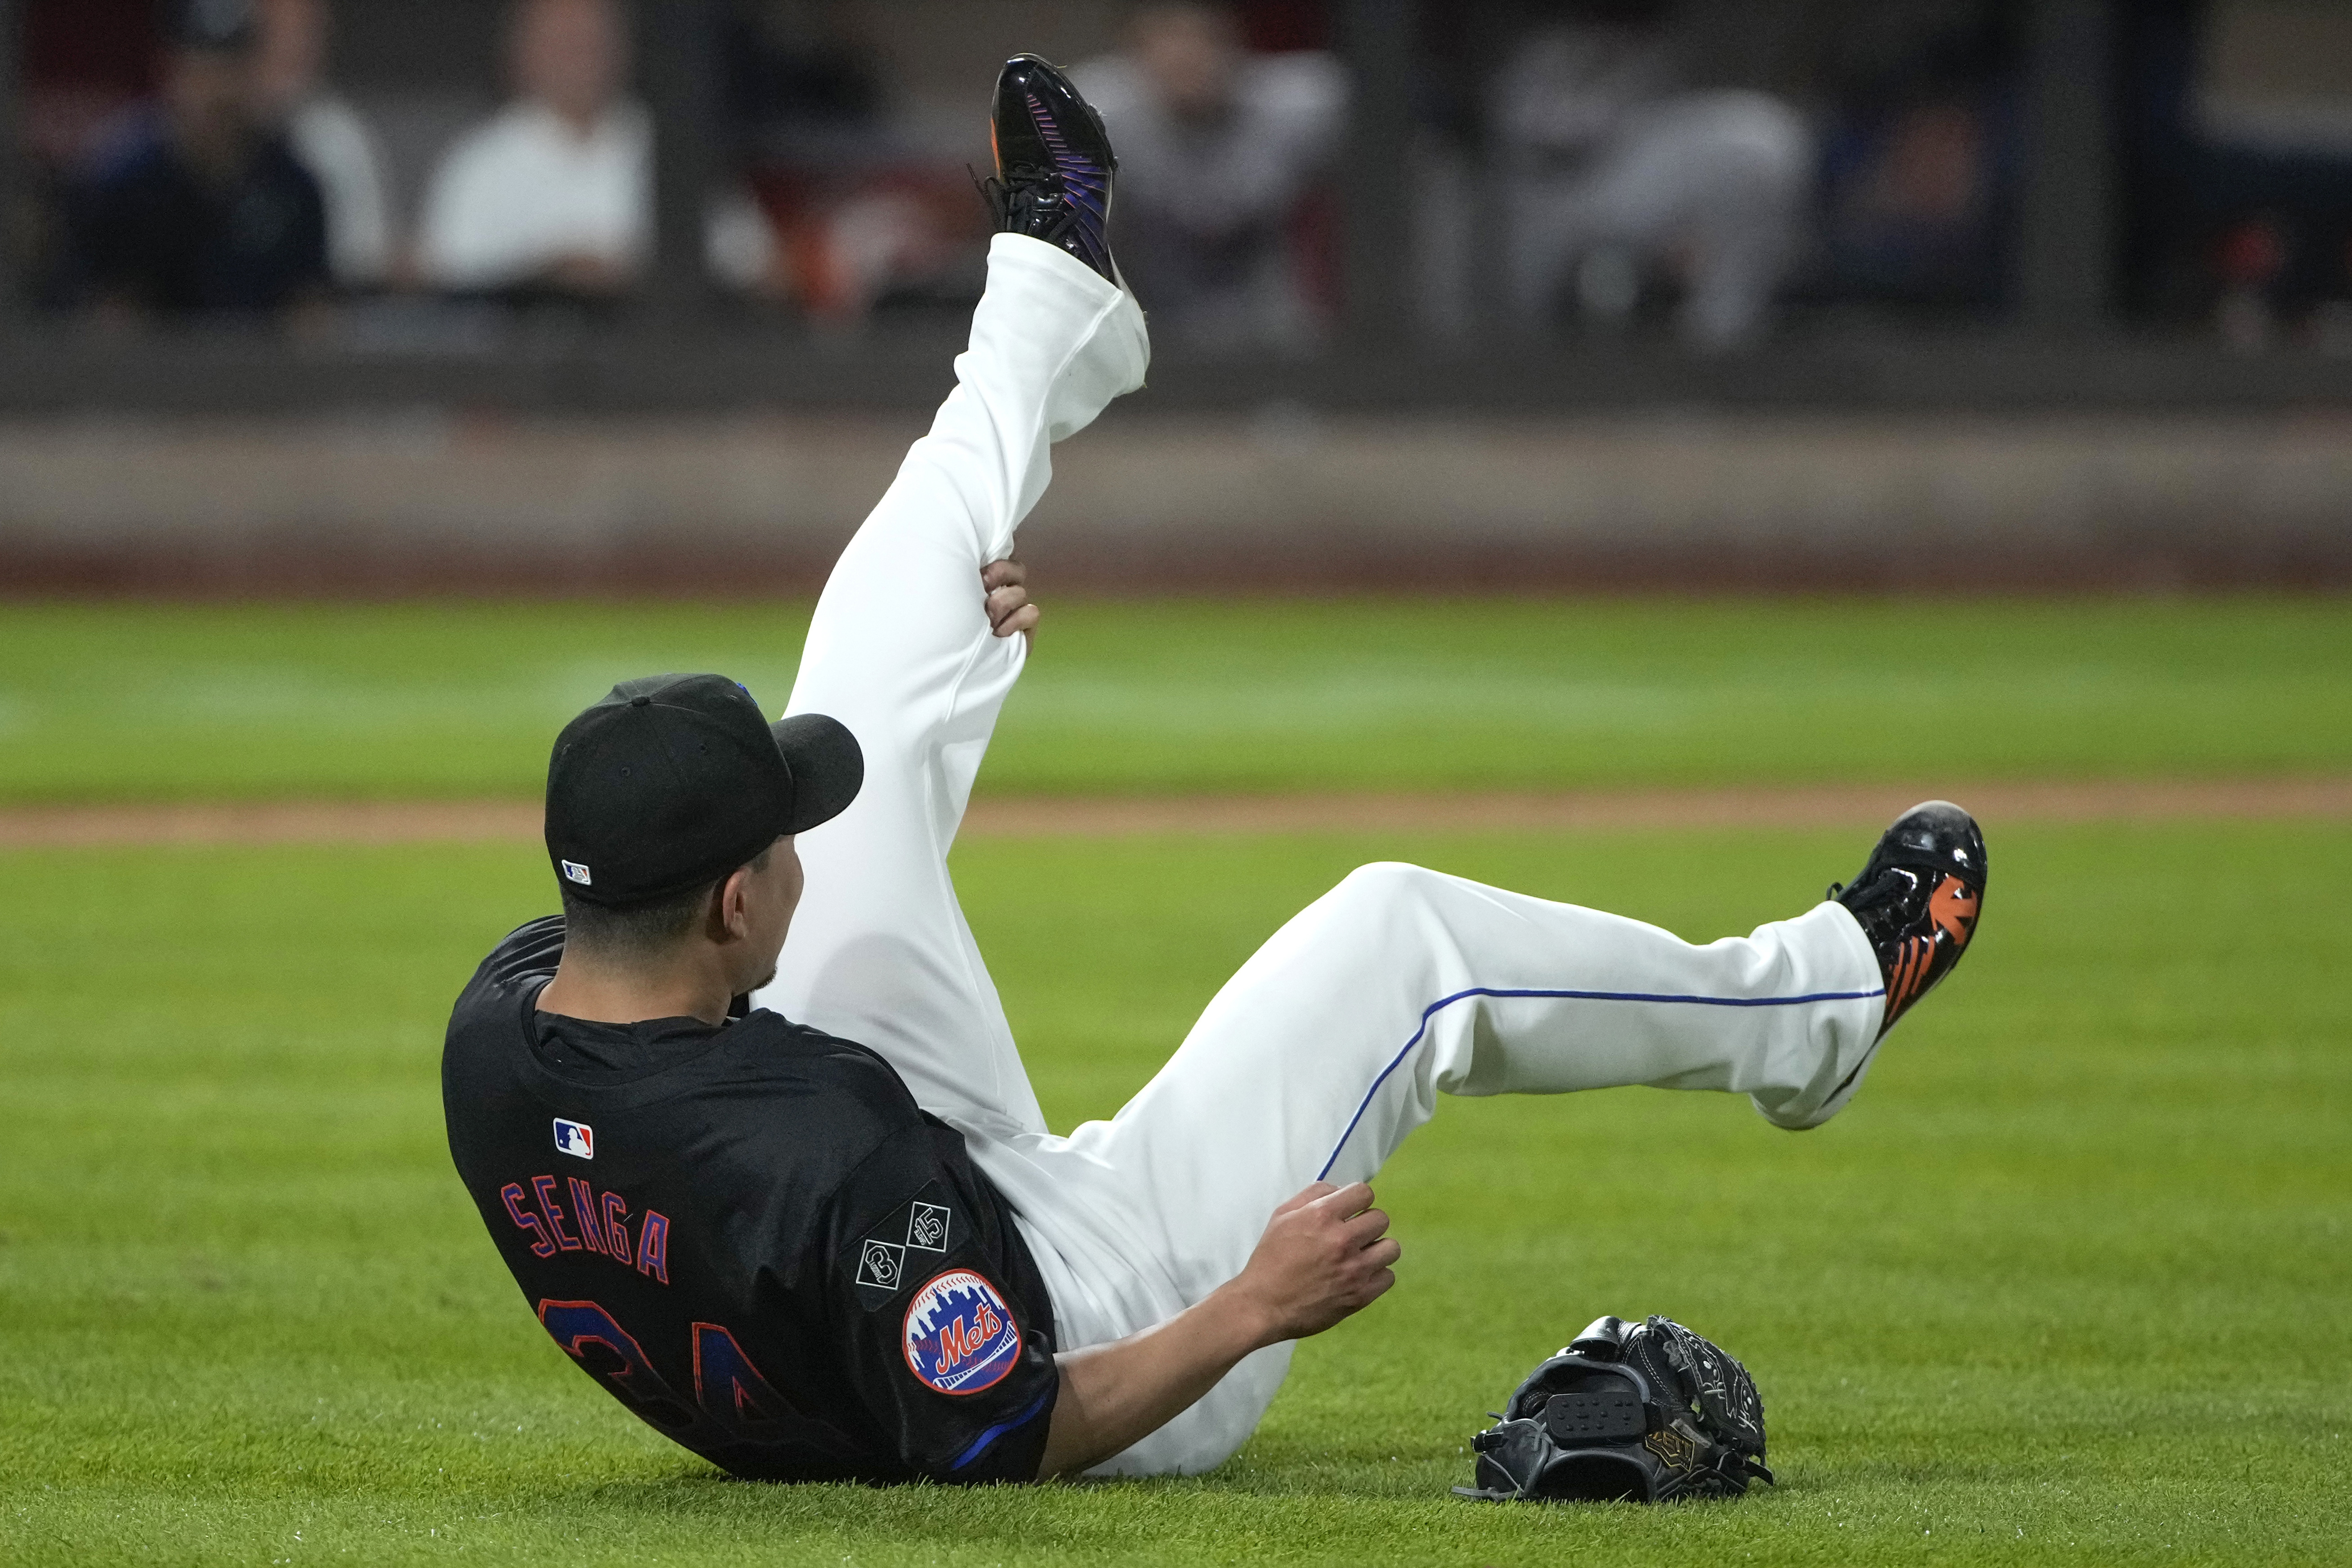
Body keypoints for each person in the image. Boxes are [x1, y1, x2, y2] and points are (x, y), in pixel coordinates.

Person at [443, 55, 1986, 1485]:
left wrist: (939, 676)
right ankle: (1820, 1011)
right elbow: (1006, 1429)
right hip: (1101, 1310)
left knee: (872, 649)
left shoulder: (509, 1027)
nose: (806, 837)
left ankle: (1052, 285)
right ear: (725, 903)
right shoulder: (824, 1156)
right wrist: (1248, 1305)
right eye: (782, 838)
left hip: (847, 1207)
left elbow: (747, 1077)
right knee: (1403, 939)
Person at [1494, 16, 1813, 350]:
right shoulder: (1552, 60)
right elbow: (1542, 130)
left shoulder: (1660, 94)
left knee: (1724, 298)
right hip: (1616, 185)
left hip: (1746, 156)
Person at [1072, 4, 1344, 351]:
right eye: (1167, 37)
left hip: (1274, 325)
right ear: (1134, 52)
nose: (1185, 55)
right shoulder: (1097, 114)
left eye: (1200, 38)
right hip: (1145, 323)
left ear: (1234, 43)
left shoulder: (1299, 107)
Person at [59, 0, 327, 319]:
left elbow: (310, 316)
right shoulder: (122, 181)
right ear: (170, 71)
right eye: (203, 72)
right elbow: (105, 323)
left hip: (261, 365)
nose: (219, 91)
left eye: (232, 70)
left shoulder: (293, 184)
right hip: (153, 367)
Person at [251, 0, 395, 290]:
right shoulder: (206, 133)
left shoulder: (344, 139)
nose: (295, 47)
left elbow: (366, 261)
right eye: (281, 32)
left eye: (306, 33)